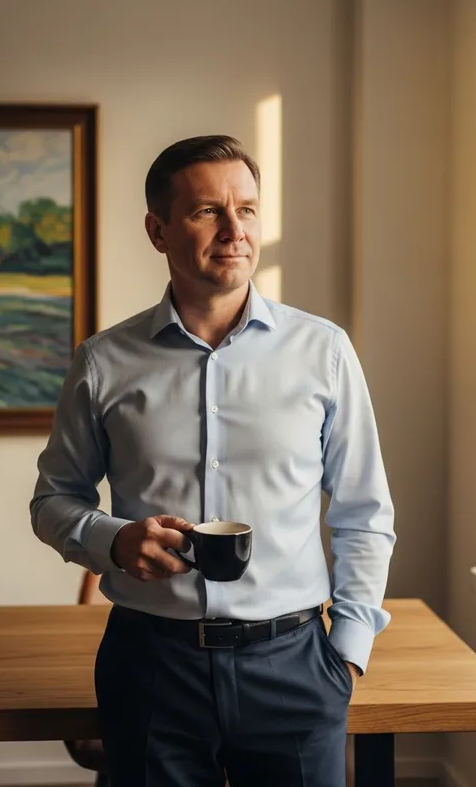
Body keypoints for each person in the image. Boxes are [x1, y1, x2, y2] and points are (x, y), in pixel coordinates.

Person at [31, 135, 396, 787]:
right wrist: (115, 543)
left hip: (296, 665)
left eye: (248, 210)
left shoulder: (325, 352)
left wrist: (348, 652)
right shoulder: (103, 363)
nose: (235, 230)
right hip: (150, 666)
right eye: (207, 212)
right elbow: (53, 500)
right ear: (158, 229)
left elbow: (365, 511)